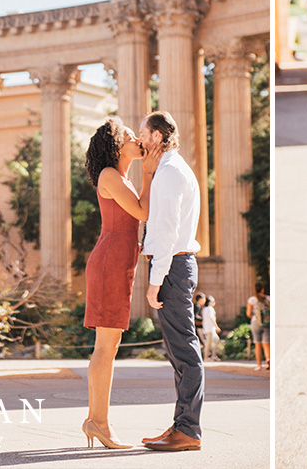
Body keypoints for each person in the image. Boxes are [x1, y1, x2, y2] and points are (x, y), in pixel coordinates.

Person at [81, 117, 161, 449]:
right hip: (109, 264)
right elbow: (142, 212)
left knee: (109, 346)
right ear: (117, 145)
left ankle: (95, 420)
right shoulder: (111, 176)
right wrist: (151, 171)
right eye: (131, 136)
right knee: (105, 346)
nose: (138, 141)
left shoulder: (120, 177)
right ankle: (98, 422)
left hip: (118, 262)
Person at [138, 111, 205, 452]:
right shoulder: (170, 170)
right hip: (177, 267)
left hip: (173, 269)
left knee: (184, 351)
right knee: (180, 352)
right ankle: (182, 425)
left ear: (158, 139)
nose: (138, 141)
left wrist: (154, 281)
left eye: (143, 134)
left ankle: (188, 430)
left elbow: (165, 233)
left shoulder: (169, 174)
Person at [246, 281, 270, 370]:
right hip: (267, 322)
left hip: (256, 322)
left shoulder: (252, 300)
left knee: (257, 344)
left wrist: (254, 316)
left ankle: (259, 365)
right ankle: (268, 360)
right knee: (266, 344)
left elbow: (248, 313)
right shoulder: (268, 298)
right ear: (262, 289)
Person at [201, 295, 221, 361]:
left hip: (207, 328)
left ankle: (213, 356)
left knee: (216, 340)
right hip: (210, 328)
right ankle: (206, 357)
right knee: (208, 343)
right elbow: (211, 318)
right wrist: (216, 326)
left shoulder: (204, 309)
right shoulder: (210, 308)